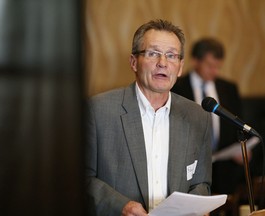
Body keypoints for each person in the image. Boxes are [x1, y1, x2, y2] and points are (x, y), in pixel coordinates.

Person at [86, 19, 212, 216]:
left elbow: (201, 183)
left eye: (171, 56)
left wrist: (196, 206)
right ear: (134, 62)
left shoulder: (198, 116)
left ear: (179, 67)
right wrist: (121, 206)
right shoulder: (98, 111)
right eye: (153, 53)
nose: (163, 63)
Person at [172, 38, 244, 195]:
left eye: (218, 67)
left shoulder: (229, 88)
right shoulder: (176, 87)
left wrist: (241, 148)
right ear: (195, 61)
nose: (215, 72)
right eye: (210, 66)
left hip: (224, 167)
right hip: (189, 166)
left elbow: (235, 123)